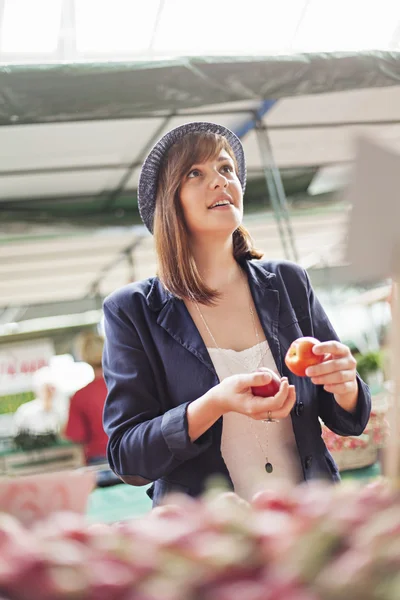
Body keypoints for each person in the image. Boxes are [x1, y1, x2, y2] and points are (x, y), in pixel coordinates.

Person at [102, 122, 371, 506]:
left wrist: (345, 385)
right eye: (195, 173)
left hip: (312, 520)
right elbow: (128, 458)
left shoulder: (289, 282)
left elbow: (348, 419)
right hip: (211, 536)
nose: (219, 180)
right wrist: (214, 403)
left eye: (226, 169)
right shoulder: (132, 311)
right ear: (169, 201)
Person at [65, 332, 108, 464]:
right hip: (133, 454)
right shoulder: (129, 386)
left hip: (99, 460)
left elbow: (77, 436)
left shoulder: (80, 396)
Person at [13, 367, 65, 436]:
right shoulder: (25, 412)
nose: (49, 392)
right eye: (46, 388)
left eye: (52, 388)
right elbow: (17, 436)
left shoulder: (60, 412)